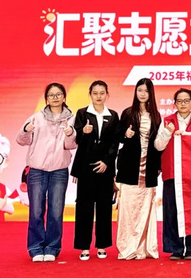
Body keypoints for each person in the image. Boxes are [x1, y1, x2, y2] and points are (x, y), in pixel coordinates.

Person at [16, 83, 76, 262]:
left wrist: (70, 133)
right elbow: (21, 140)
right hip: (37, 170)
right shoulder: (36, 117)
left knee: (56, 211)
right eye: (51, 95)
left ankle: (52, 247)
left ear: (64, 97)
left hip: (59, 171)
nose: (55, 98)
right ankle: (35, 248)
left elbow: (72, 145)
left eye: (58, 94)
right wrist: (26, 130)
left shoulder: (72, 118)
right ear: (46, 99)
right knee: (36, 211)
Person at [154, 88, 191, 260]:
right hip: (172, 172)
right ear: (174, 103)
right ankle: (175, 248)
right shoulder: (167, 121)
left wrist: (189, 136)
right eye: (179, 101)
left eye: (186, 101)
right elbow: (158, 146)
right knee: (171, 211)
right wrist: (167, 133)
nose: (183, 104)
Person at [71, 80, 120, 260]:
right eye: (95, 93)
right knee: (84, 207)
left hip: (105, 168)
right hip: (86, 167)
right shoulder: (82, 113)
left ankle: (102, 245)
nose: (98, 96)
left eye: (102, 93)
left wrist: (106, 161)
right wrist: (84, 132)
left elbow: (115, 142)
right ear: (90, 94)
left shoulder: (113, 115)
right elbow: (78, 140)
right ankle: (84, 247)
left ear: (107, 94)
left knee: (104, 207)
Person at [115, 78, 162, 260]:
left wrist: (158, 166)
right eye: (139, 90)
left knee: (146, 209)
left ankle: (143, 248)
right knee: (128, 208)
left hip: (148, 169)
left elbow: (158, 144)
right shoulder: (128, 113)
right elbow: (117, 136)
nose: (142, 94)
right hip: (129, 167)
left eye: (146, 91)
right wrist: (125, 134)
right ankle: (127, 246)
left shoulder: (156, 116)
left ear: (151, 93)